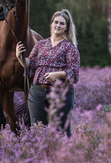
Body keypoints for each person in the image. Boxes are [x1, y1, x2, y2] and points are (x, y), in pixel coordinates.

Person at [16, 9, 80, 137]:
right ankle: (40, 157)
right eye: (56, 22)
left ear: (66, 27)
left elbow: (73, 72)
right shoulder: (40, 45)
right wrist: (20, 57)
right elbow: (31, 64)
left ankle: (66, 156)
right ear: (51, 24)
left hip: (61, 92)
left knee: (62, 132)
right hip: (37, 91)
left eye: (62, 23)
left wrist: (56, 75)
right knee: (37, 130)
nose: (58, 25)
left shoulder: (70, 47)